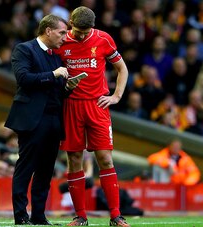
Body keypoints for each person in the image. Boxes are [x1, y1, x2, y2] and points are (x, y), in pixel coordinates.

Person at [55, 6, 130, 227]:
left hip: (97, 106)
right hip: (71, 106)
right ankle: (80, 217)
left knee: (105, 159)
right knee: (74, 159)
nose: (82, 35)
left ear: (93, 27)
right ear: (70, 23)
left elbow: (122, 69)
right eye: (78, 31)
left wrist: (116, 96)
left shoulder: (103, 39)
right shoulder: (61, 42)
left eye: (86, 32)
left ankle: (116, 216)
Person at [4, 14, 75, 225]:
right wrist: (53, 75)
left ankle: (38, 215)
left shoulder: (56, 56)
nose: (65, 37)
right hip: (33, 119)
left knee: (45, 170)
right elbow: (23, 79)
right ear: (48, 31)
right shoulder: (24, 49)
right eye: (62, 32)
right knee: (26, 167)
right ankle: (20, 215)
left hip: (54, 120)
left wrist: (67, 88)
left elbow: (56, 90)